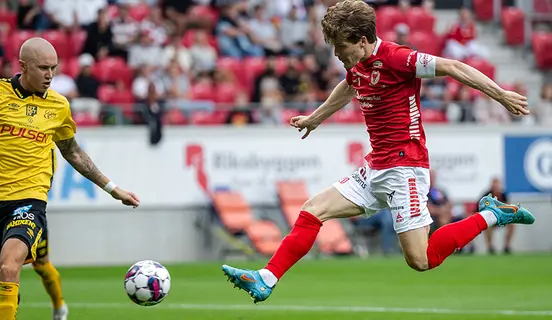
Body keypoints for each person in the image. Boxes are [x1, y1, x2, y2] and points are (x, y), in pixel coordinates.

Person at [221, 0, 535, 303]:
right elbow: (348, 87)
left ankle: (492, 213)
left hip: (405, 167)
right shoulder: (357, 64)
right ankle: (267, 278)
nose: (336, 54)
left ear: (361, 40)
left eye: (340, 47)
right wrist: (315, 119)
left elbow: (452, 66)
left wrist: (501, 95)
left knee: (421, 259)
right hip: (375, 169)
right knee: (312, 210)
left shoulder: (399, 59)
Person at [0, 37, 140, 320]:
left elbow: (72, 151)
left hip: (28, 200)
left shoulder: (59, 106)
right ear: (23, 66)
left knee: (9, 267)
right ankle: (7, 298)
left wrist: (112, 188)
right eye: (43, 68)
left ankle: (24, 299)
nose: (50, 75)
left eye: (54, 68)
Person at [480, 177, 513, 254]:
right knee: (487, 227)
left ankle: (507, 246)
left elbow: (508, 208)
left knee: (512, 225)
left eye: (497, 185)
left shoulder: (503, 195)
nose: (496, 187)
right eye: (494, 185)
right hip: (490, 219)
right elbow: (481, 209)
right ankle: (490, 247)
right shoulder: (486, 195)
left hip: (501, 218)